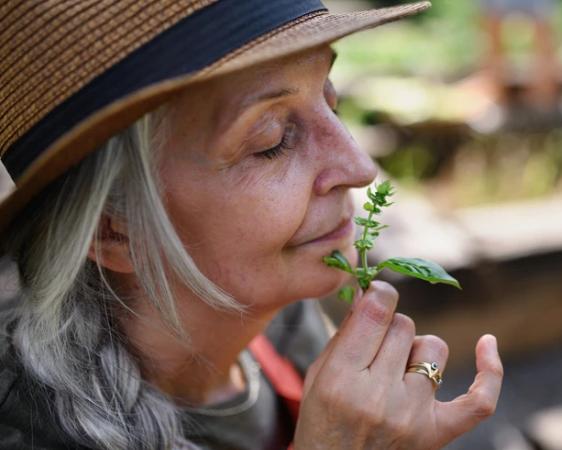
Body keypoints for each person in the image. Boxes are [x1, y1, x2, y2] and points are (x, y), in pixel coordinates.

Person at [0, 1, 503, 449]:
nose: (358, 166)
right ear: (112, 229)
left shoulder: (286, 325)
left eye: (332, 102)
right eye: (272, 139)